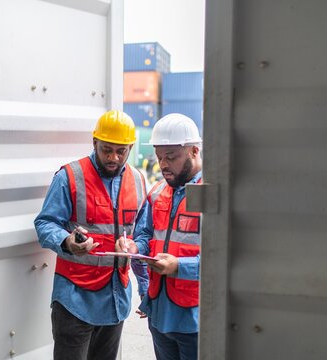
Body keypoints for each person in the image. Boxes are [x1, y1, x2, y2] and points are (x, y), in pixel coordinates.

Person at [34, 110, 149, 360]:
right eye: (106, 149)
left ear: (130, 147)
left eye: (121, 151)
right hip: (75, 301)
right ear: (94, 142)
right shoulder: (70, 177)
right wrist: (67, 241)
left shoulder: (139, 181)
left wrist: (144, 282)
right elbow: (45, 223)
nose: (113, 157)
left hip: (115, 300)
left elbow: (143, 236)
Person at [117, 113, 202, 360]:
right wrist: (134, 247)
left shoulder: (212, 196)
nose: (163, 164)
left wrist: (179, 266)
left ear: (194, 151)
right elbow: (145, 235)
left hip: (195, 317)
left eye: (171, 157)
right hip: (160, 312)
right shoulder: (157, 194)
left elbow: (225, 259)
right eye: (160, 157)